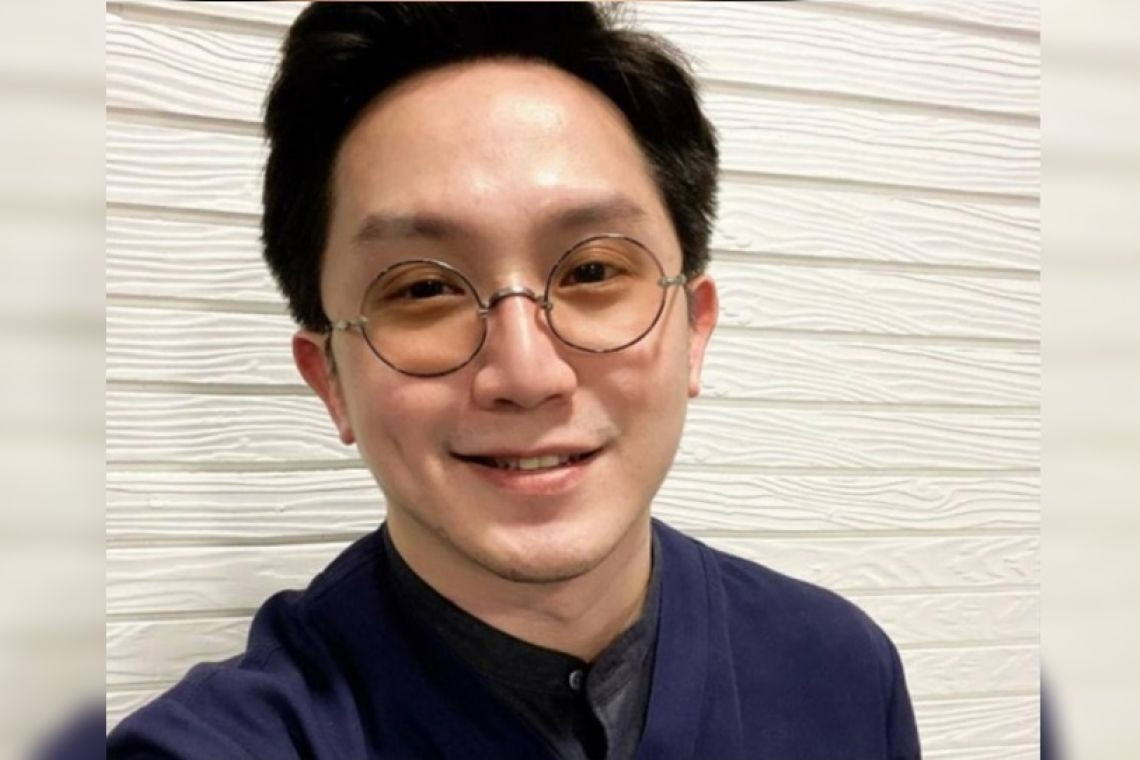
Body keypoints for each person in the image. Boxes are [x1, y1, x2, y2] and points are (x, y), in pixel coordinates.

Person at [108, 3, 921, 758]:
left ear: (693, 330)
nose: (527, 374)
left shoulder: (842, 671)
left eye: (594, 270)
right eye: (423, 289)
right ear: (331, 381)